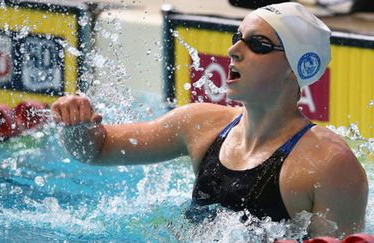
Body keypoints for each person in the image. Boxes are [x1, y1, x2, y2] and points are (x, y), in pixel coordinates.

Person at [51, 2, 368, 238]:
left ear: (295, 67)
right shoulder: (201, 123)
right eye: (237, 37)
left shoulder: (328, 165)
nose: (234, 50)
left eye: (257, 45)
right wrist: (77, 126)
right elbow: (98, 149)